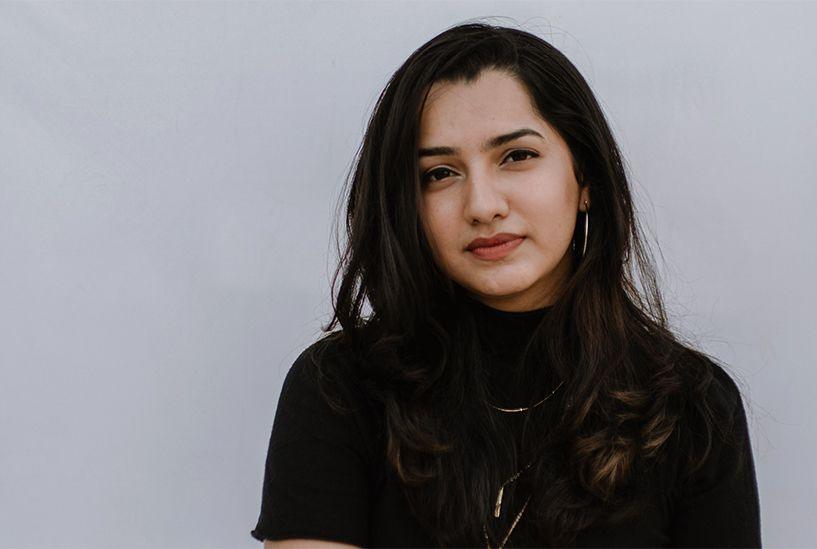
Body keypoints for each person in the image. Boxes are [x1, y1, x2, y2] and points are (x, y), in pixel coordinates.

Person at [251, 21, 761, 548]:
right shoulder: (339, 390)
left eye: (517, 156)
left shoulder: (691, 409)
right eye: (440, 173)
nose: (483, 206)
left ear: (584, 178)